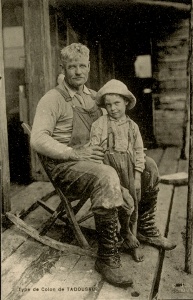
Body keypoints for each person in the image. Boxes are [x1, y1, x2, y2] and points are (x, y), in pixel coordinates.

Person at [30, 43, 176, 288]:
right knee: (106, 175)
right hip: (67, 167)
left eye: (82, 66)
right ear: (63, 68)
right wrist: (72, 152)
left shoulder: (95, 97)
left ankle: (145, 227)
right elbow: (38, 138)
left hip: (98, 160)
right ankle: (107, 256)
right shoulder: (52, 99)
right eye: (72, 67)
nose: (78, 72)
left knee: (149, 166)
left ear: (88, 67)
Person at [90, 79, 145, 262]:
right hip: (108, 168)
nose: (113, 108)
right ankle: (113, 240)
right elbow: (95, 152)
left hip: (128, 169)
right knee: (116, 203)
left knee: (132, 204)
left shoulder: (132, 127)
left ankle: (130, 236)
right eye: (108, 105)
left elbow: (138, 152)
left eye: (117, 103)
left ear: (126, 103)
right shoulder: (99, 125)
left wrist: (137, 176)